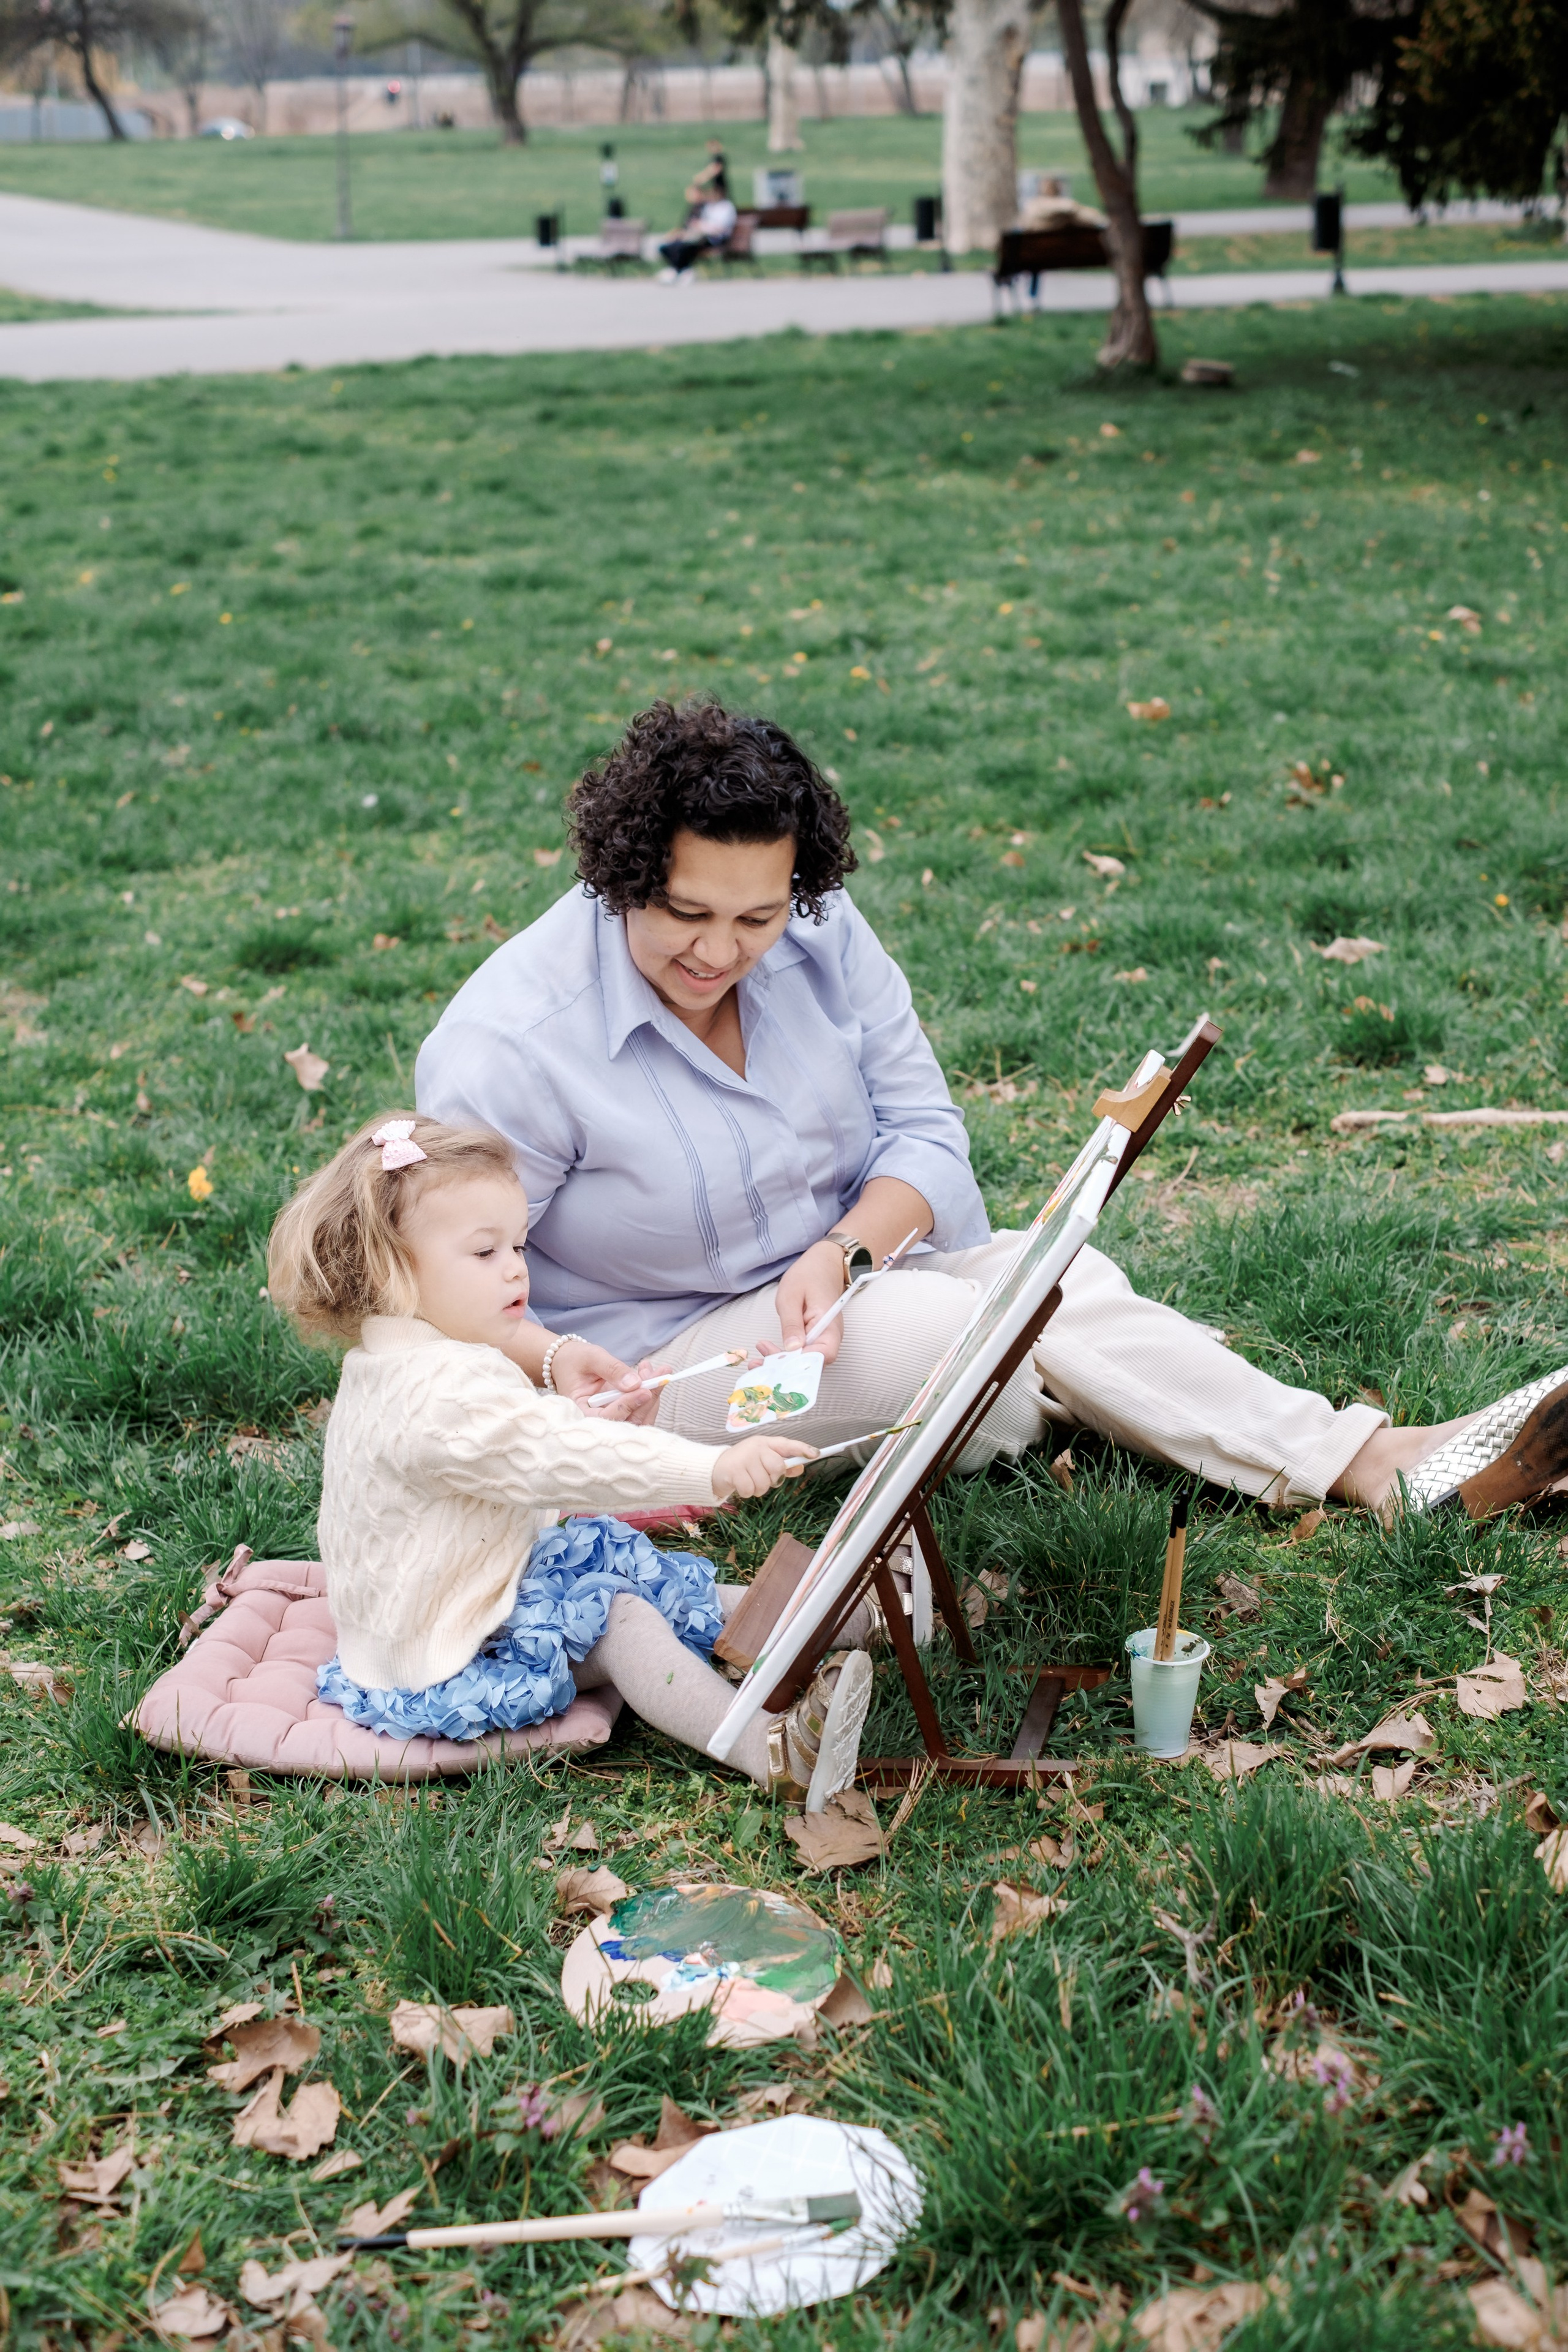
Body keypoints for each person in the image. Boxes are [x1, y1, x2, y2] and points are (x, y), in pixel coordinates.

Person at [416, 700, 1568, 1524]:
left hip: (845, 1295)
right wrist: (556, 1363)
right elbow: (435, 1290)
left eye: (756, 919)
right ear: (621, 874)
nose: (721, 951)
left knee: (1049, 1275)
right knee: (961, 1337)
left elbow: (925, 1134)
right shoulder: (514, 1044)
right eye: (685, 913)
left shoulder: (820, 933)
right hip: (648, 1377)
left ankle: (1371, 1460)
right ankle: (1068, 1402)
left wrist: (842, 1249)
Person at [265, 1110, 878, 1804]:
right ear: (393, 1270)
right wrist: (711, 1469)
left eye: (518, 1246)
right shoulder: (438, 1391)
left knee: (639, 1572)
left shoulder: (402, 1360)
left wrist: (584, 1418)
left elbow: (512, 1448)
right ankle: (770, 1752)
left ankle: (862, 1616)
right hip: (443, 1656)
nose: (514, 1269)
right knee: (621, 1619)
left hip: (471, 1590)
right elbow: (553, 1457)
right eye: (484, 1252)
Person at [658, 172, 737, 282]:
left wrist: (702, 226)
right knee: (670, 246)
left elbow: (721, 228)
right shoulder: (709, 207)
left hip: (715, 239)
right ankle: (680, 270)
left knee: (684, 247)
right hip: (700, 236)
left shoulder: (726, 207)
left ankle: (680, 271)